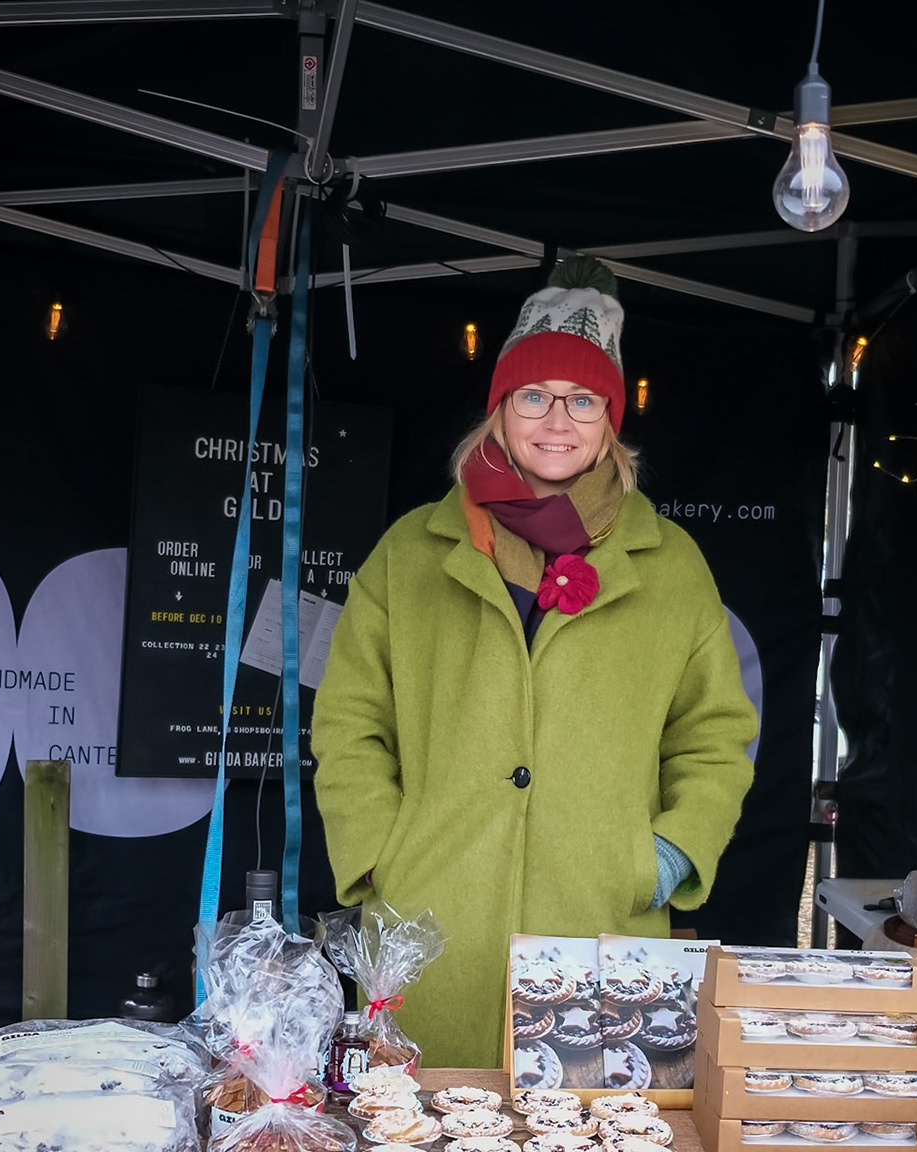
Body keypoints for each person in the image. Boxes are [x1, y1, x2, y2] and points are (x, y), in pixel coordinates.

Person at [312, 258, 758, 1069]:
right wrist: (382, 852)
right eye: (534, 396)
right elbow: (349, 724)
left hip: (600, 925)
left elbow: (715, 734)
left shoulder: (671, 564)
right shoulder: (411, 552)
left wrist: (670, 854)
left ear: (610, 420)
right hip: (431, 923)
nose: (559, 420)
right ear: (500, 410)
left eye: (583, 400)